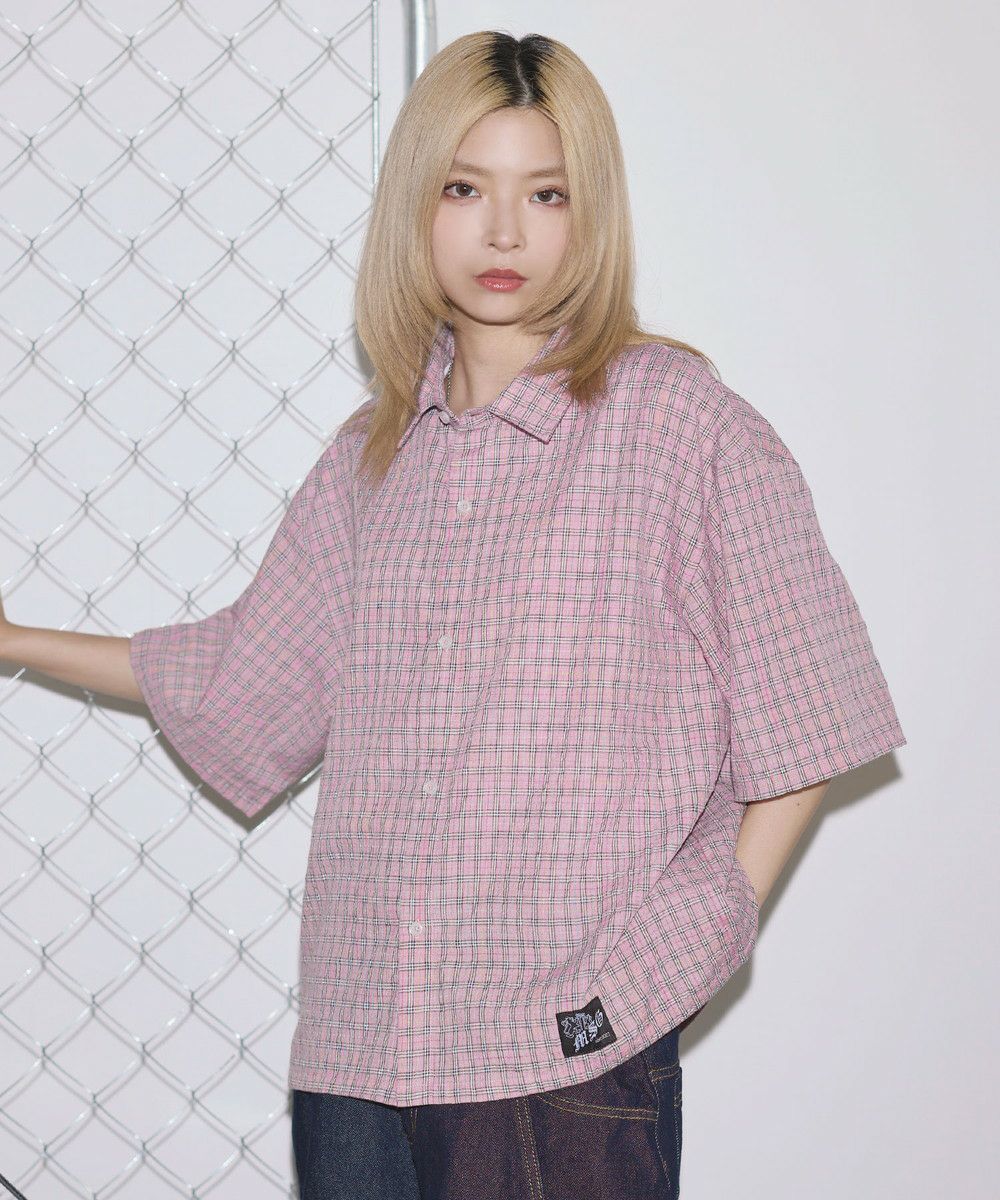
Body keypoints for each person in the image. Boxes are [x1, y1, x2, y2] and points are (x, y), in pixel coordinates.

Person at [0, 29, 906, 1200]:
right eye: (465, 189)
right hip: (359, 1058)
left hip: (561, 1057)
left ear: (591, 213)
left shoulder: (678, 424)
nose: (504, 232)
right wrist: (13, 640)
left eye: (546, 194)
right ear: (415, 206)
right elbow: (239, 678)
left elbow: (809, 710)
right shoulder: (370, 460)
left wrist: (674, 953)